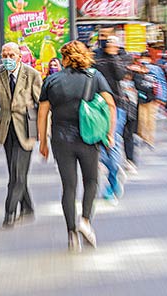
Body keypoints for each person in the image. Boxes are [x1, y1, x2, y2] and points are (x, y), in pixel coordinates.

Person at [38, 40, 116, 252]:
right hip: (88, 137)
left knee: (69, 186)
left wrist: (43, 142)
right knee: (91, 180)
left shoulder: (52, 79)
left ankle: (71, 233)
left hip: (61, 138)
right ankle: (85, 221)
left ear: (64, 58)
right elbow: (110, 104)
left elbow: (43, 112)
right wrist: (110, 133)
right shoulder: (95, 76)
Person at [0, 42, 42, 228]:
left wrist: (45, 131)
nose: (7, 59)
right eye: (4, 55)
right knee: (15, 171)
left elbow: (42, 103)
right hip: (7, 127)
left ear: (19, 56)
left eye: (11, 55)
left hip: (27, 126)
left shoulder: (32, 74)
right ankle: (28, 208)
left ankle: (9, 211)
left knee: (17, 174)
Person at [93, 36, 127, 203]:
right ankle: (114, 172)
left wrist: (113, 56)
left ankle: (112, 184)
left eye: (113, 42)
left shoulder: (120, 57)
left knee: (112, 142)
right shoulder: (96, 57)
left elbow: (121, 75)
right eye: (107, 41)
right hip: (97, 106)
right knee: (97, 145)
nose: (110, 44)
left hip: (117, 106)